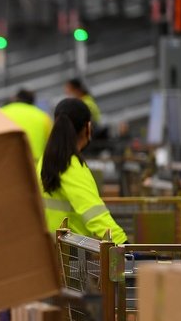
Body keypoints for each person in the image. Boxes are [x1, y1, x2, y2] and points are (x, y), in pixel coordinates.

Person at [37, 98, 127, 244]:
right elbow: (95, 214)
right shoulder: (70, 165)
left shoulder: (45, 160)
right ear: (88, 127)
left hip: (49, 248)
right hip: (72, 252)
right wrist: (123, 243)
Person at [1, 89, 53, 163]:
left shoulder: (1, 112)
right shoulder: (43, 116)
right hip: (34, 164)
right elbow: (52, 142)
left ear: (16, 99)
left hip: (8, 162)